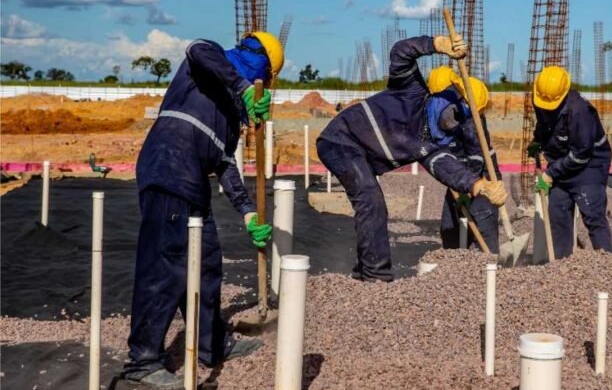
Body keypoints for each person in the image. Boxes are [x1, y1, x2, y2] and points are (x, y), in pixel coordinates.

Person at [123, 32, 282, 388]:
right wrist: (244, 88)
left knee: (207, 263)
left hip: (194, 181)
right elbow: (195, 48)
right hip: (168, 167)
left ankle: (211, 344)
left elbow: (225, 163)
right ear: (265, 71)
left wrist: (247, 212)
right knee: (165, 265)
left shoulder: (230, 111)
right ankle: (143, 361)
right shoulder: (207, 62)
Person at [317, 36, 507, 282]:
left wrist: (479, 185)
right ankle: (376, 277)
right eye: (455, 103)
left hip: (364, 156)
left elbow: (448, 168)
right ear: (446, 94)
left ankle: (365, 272)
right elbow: (400, 53)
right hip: (340, 140)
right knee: (371, 201)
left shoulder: (429, 145)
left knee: (372, 203)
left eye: (461, 115)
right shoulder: (411, 90)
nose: (453, 116)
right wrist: (436, 44)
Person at [527, 66, 612, 259]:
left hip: (589, 164)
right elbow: (544, 123)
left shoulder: (579, 111)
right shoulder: (541, 97)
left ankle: (608, 263)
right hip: (561, 162)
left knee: (593, 214)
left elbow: (581, 154)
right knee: (557, 213)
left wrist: (551, 174)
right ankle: (561, 263)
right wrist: (538, 140)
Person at [426, 67, 501, 253]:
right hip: (459, 176)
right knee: (450, 228)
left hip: (482, 176)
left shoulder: (469, 118)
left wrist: (467, 187)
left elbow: (477, 157)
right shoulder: (439, 113)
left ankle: (488, 263)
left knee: (483, 221)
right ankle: (455, 260)